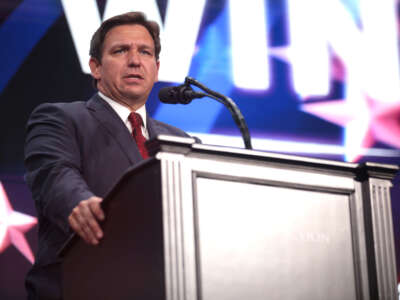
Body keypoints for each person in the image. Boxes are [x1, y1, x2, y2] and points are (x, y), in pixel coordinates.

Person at [24, 11, 193, 300]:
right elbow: (54, 172)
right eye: (120, 51)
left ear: (156, 66)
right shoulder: (61, 118)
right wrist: (80, 202)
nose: (135, 61)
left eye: (145, 52)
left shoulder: (182, 141)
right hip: (80, 285)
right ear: (96, 67)